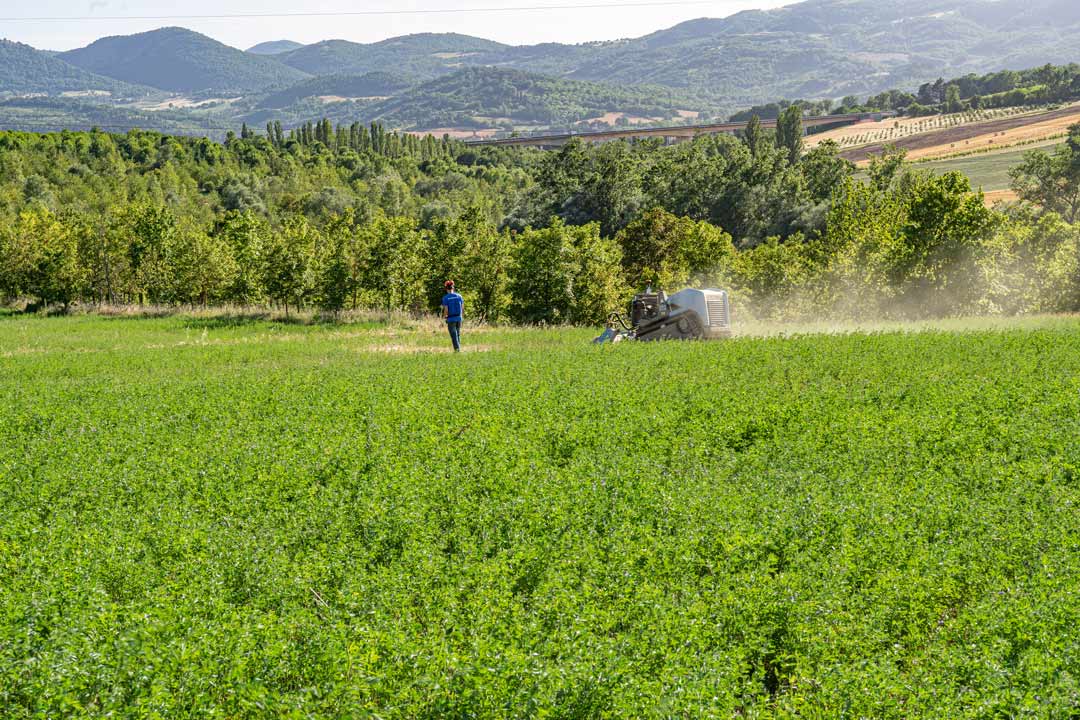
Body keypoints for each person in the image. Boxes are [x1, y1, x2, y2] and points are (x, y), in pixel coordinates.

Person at [441, 280, 464, 352]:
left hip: (451, 319)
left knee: (454, 336)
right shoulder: (459, 296)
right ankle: (458, 349)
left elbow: (446, 309)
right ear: (453, 287)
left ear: (446, 288)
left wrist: (444, 317)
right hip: (459, 318)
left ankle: (457, 351)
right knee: (458, 334)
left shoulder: (446, 298)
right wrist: (461, 316)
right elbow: (462, 308)